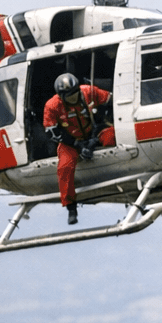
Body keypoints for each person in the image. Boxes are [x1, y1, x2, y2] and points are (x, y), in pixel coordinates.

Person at [42, 72, 115, 225]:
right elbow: (52, 132)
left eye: (75, 94)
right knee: (64, 167)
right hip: (70, 142)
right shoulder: (52, 106)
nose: (73, 99)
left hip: (94, 132)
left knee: (112, 137)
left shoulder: (89, 92)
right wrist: (78, 145)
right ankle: (71, 207)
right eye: (69, 97)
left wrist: (95, 139)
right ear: (61, 97)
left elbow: (112, 100)